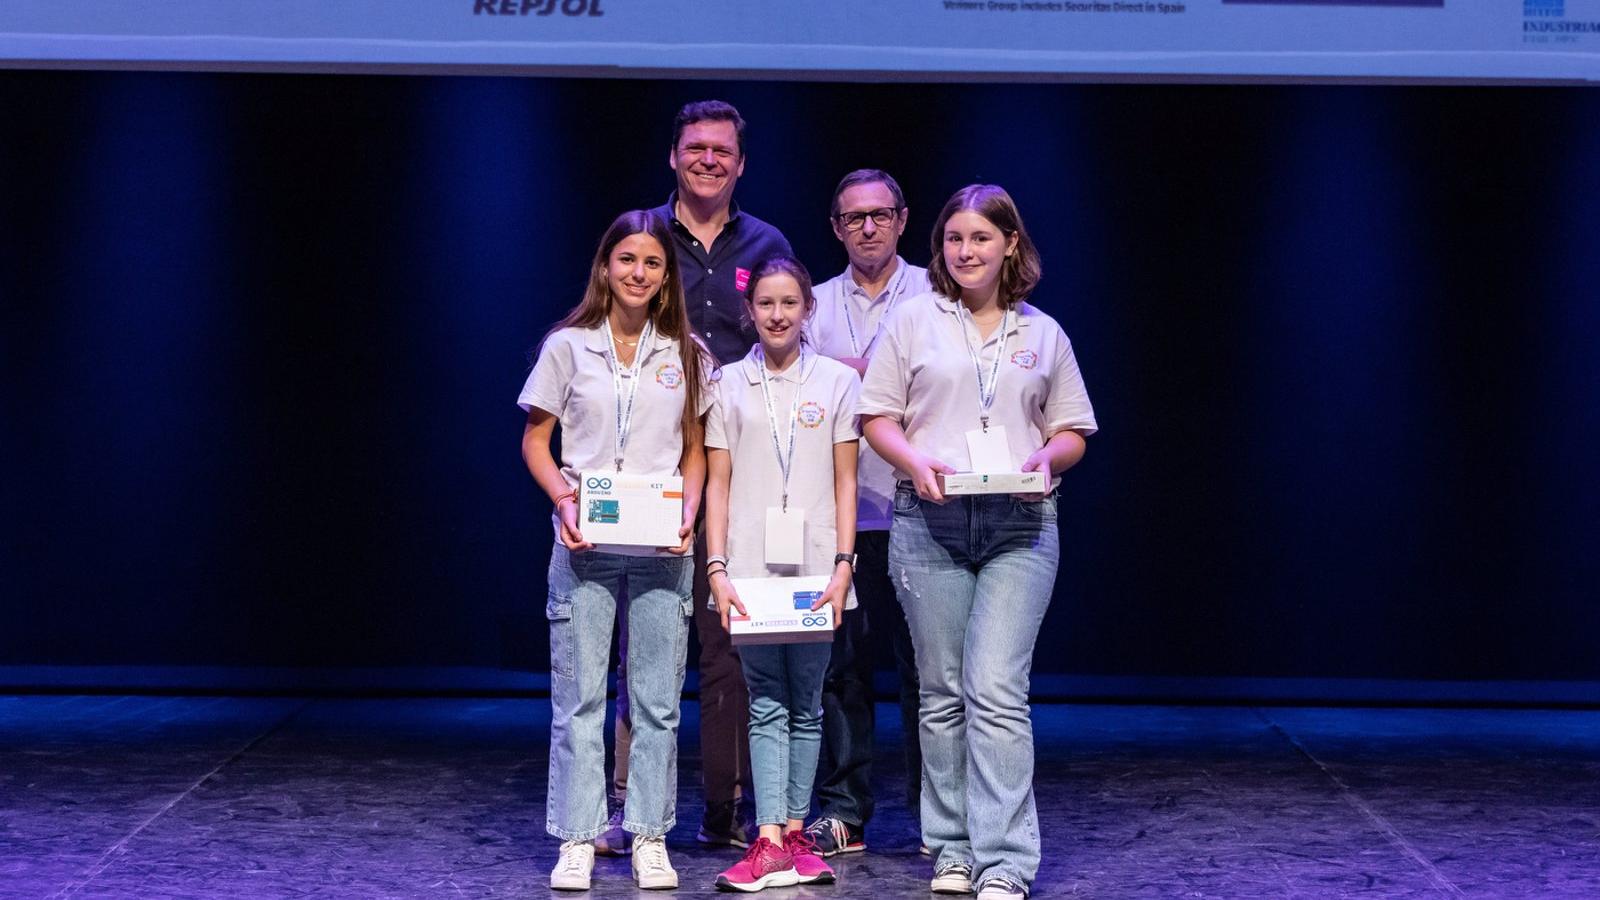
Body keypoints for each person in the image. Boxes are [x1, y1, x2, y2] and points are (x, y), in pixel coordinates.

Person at [859, 185, 1097, 900]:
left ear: (1009, 246)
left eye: (981, 239)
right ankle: (953, 846)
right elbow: (877, 415)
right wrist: (912, 460)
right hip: (928, 523)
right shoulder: (913, 321)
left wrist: (1044, 463)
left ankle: (1006, 860)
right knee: (939, 695)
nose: (966, 251)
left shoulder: (1043, 333)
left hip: (1020, 526)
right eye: (955, 239)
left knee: (993, 687)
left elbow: (1073, 432)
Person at [518, 209, 714, 892]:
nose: (638, 272)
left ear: (666, 278)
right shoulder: (568, 347)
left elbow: (695, 454)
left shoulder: (687, 353)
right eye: (627, 259)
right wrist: (563, 502)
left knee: (658, 699)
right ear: (606, 266)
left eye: (652, 263)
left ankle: (649, 834)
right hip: (586, 541)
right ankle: (577, 835)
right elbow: (536, 443)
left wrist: (689, 510)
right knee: (579, 699)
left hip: (663, 547)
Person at [650, 99, 794, 848]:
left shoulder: (765, 241)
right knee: (643, 647)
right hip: (649, 459)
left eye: (723, 151)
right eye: (695, 147)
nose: (709, 159)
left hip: (737, 469)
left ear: (741, 163)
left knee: (727, 648)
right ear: (673, 155)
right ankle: (628, 809)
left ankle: (729, 808)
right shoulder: (643, 236)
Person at [704, 256, 861, 891]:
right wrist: (717, 568)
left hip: (818, 568)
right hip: (751, 571)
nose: (777, 315)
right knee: (767, 700)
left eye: (789, 303)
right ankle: (767, 837)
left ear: (807, 309)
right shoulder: (727, 385)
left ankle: (794, 835)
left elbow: (846, 480)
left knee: (808, 704)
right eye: (766, 304)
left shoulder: (836, 384)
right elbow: (717, 484)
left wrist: (845, 564)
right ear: (750, 310)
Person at [803, 168, 930, 857]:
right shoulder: (813, 306)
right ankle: (844, 812)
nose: (869, 227)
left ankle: (933, 815)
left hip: (918, 510)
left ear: (903, 219)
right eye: (854, 218)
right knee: (840, 670)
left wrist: (855, 375)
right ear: (836, 227)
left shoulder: (936, 298)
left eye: (880, 214)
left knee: (924, 670)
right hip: (840, 516)